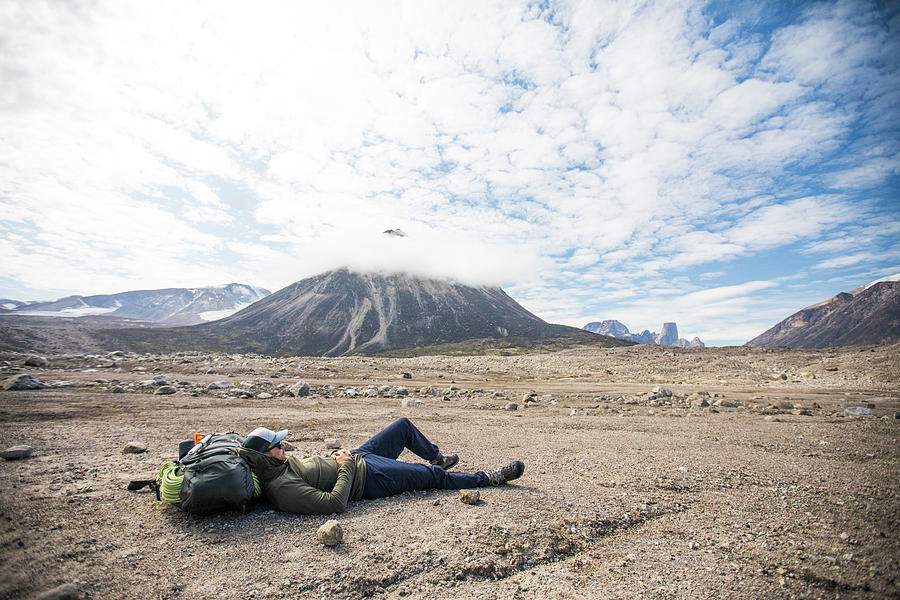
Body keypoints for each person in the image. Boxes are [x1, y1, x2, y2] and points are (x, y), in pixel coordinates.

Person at [239, 417, 524, 514]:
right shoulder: (281, 489)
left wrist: (340, 457)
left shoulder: (279, 466)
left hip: (360, 456)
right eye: (278, 445)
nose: (284, 446)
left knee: (402, 426)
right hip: (369, 477)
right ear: (265, 455)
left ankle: (436, 456)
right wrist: (346, 465)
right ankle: (488, 478)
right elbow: (334, 504)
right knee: (432, 477)